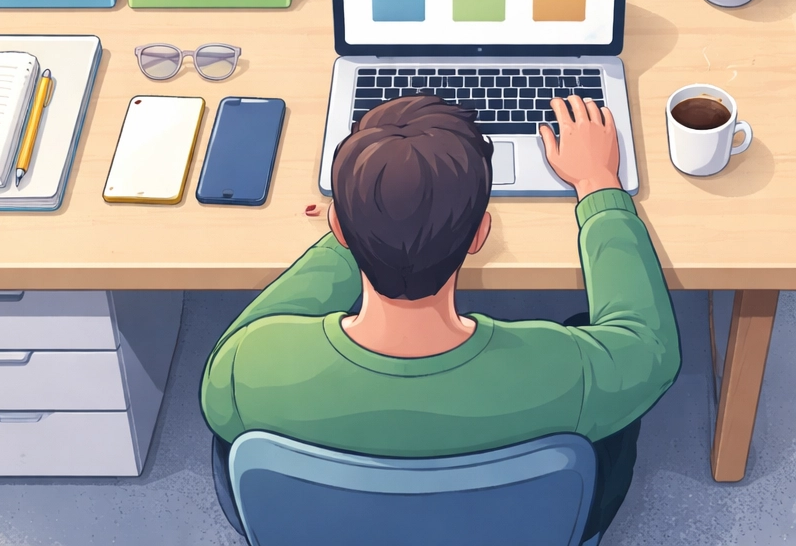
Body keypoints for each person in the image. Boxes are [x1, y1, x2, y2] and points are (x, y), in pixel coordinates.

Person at [200, 94, 681, 542]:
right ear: (480, 234)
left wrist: (370, 215)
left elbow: (239, 356)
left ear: (337, 226)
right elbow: (650, 347)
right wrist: (598, 183)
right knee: (599, 377)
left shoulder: (247, 364)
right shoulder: (565, 369)